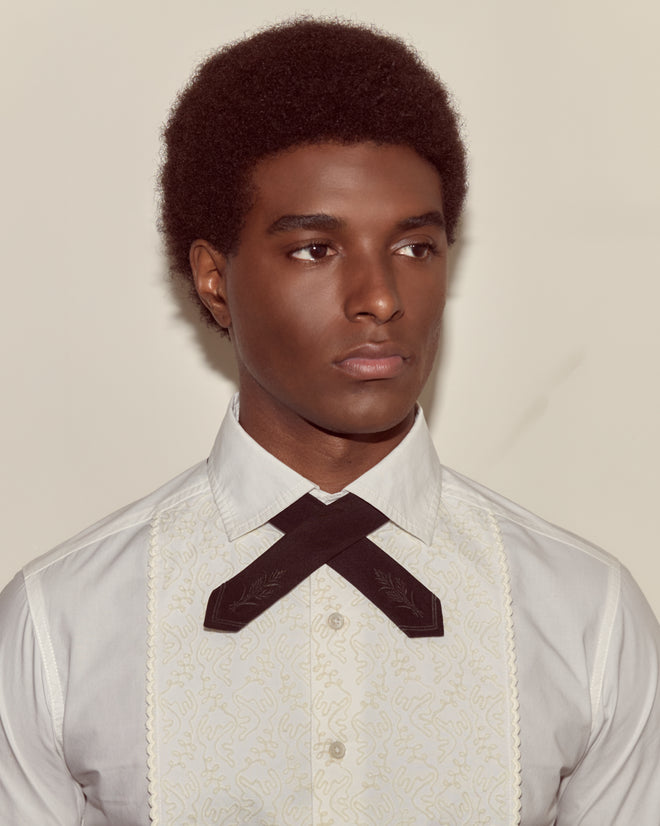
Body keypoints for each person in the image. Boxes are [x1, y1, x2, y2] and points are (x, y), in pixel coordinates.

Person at [1, 18, 658, 826]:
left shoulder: (588, 617)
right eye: (316, 249)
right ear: (214, 280)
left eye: (415, 247)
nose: (381, 297)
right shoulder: (58, 624)